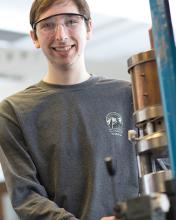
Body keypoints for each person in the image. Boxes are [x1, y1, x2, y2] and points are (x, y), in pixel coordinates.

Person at [0, 0, 139, 219]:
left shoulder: (129, 96)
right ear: (34, 37)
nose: (61, 35)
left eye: (71, 21)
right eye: (47, 25)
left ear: (89, 28)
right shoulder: (13, 111)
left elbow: (159, 170)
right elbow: (26, 197)